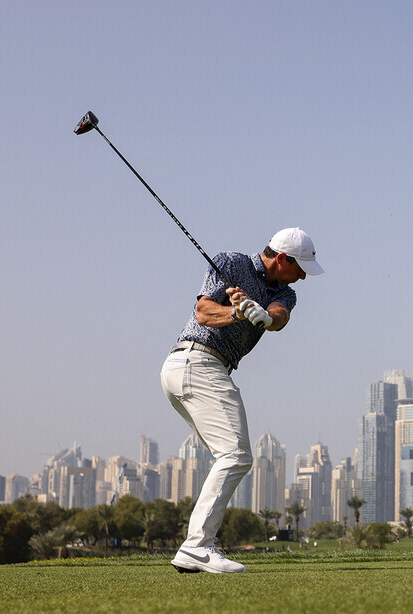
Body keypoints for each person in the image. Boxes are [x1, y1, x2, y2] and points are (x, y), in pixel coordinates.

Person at [162, 227, 324, 573]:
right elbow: (204, 313)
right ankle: (197, 546)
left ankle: (197, 545)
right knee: (236, 455)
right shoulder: (231, 263)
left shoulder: (284, 292)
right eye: (300, 269)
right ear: (282, 258)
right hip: (196, 362)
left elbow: (280, 315)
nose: (302, 277)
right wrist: (235, 313)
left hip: (195, 369)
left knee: (230, 455)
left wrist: (264, 316)